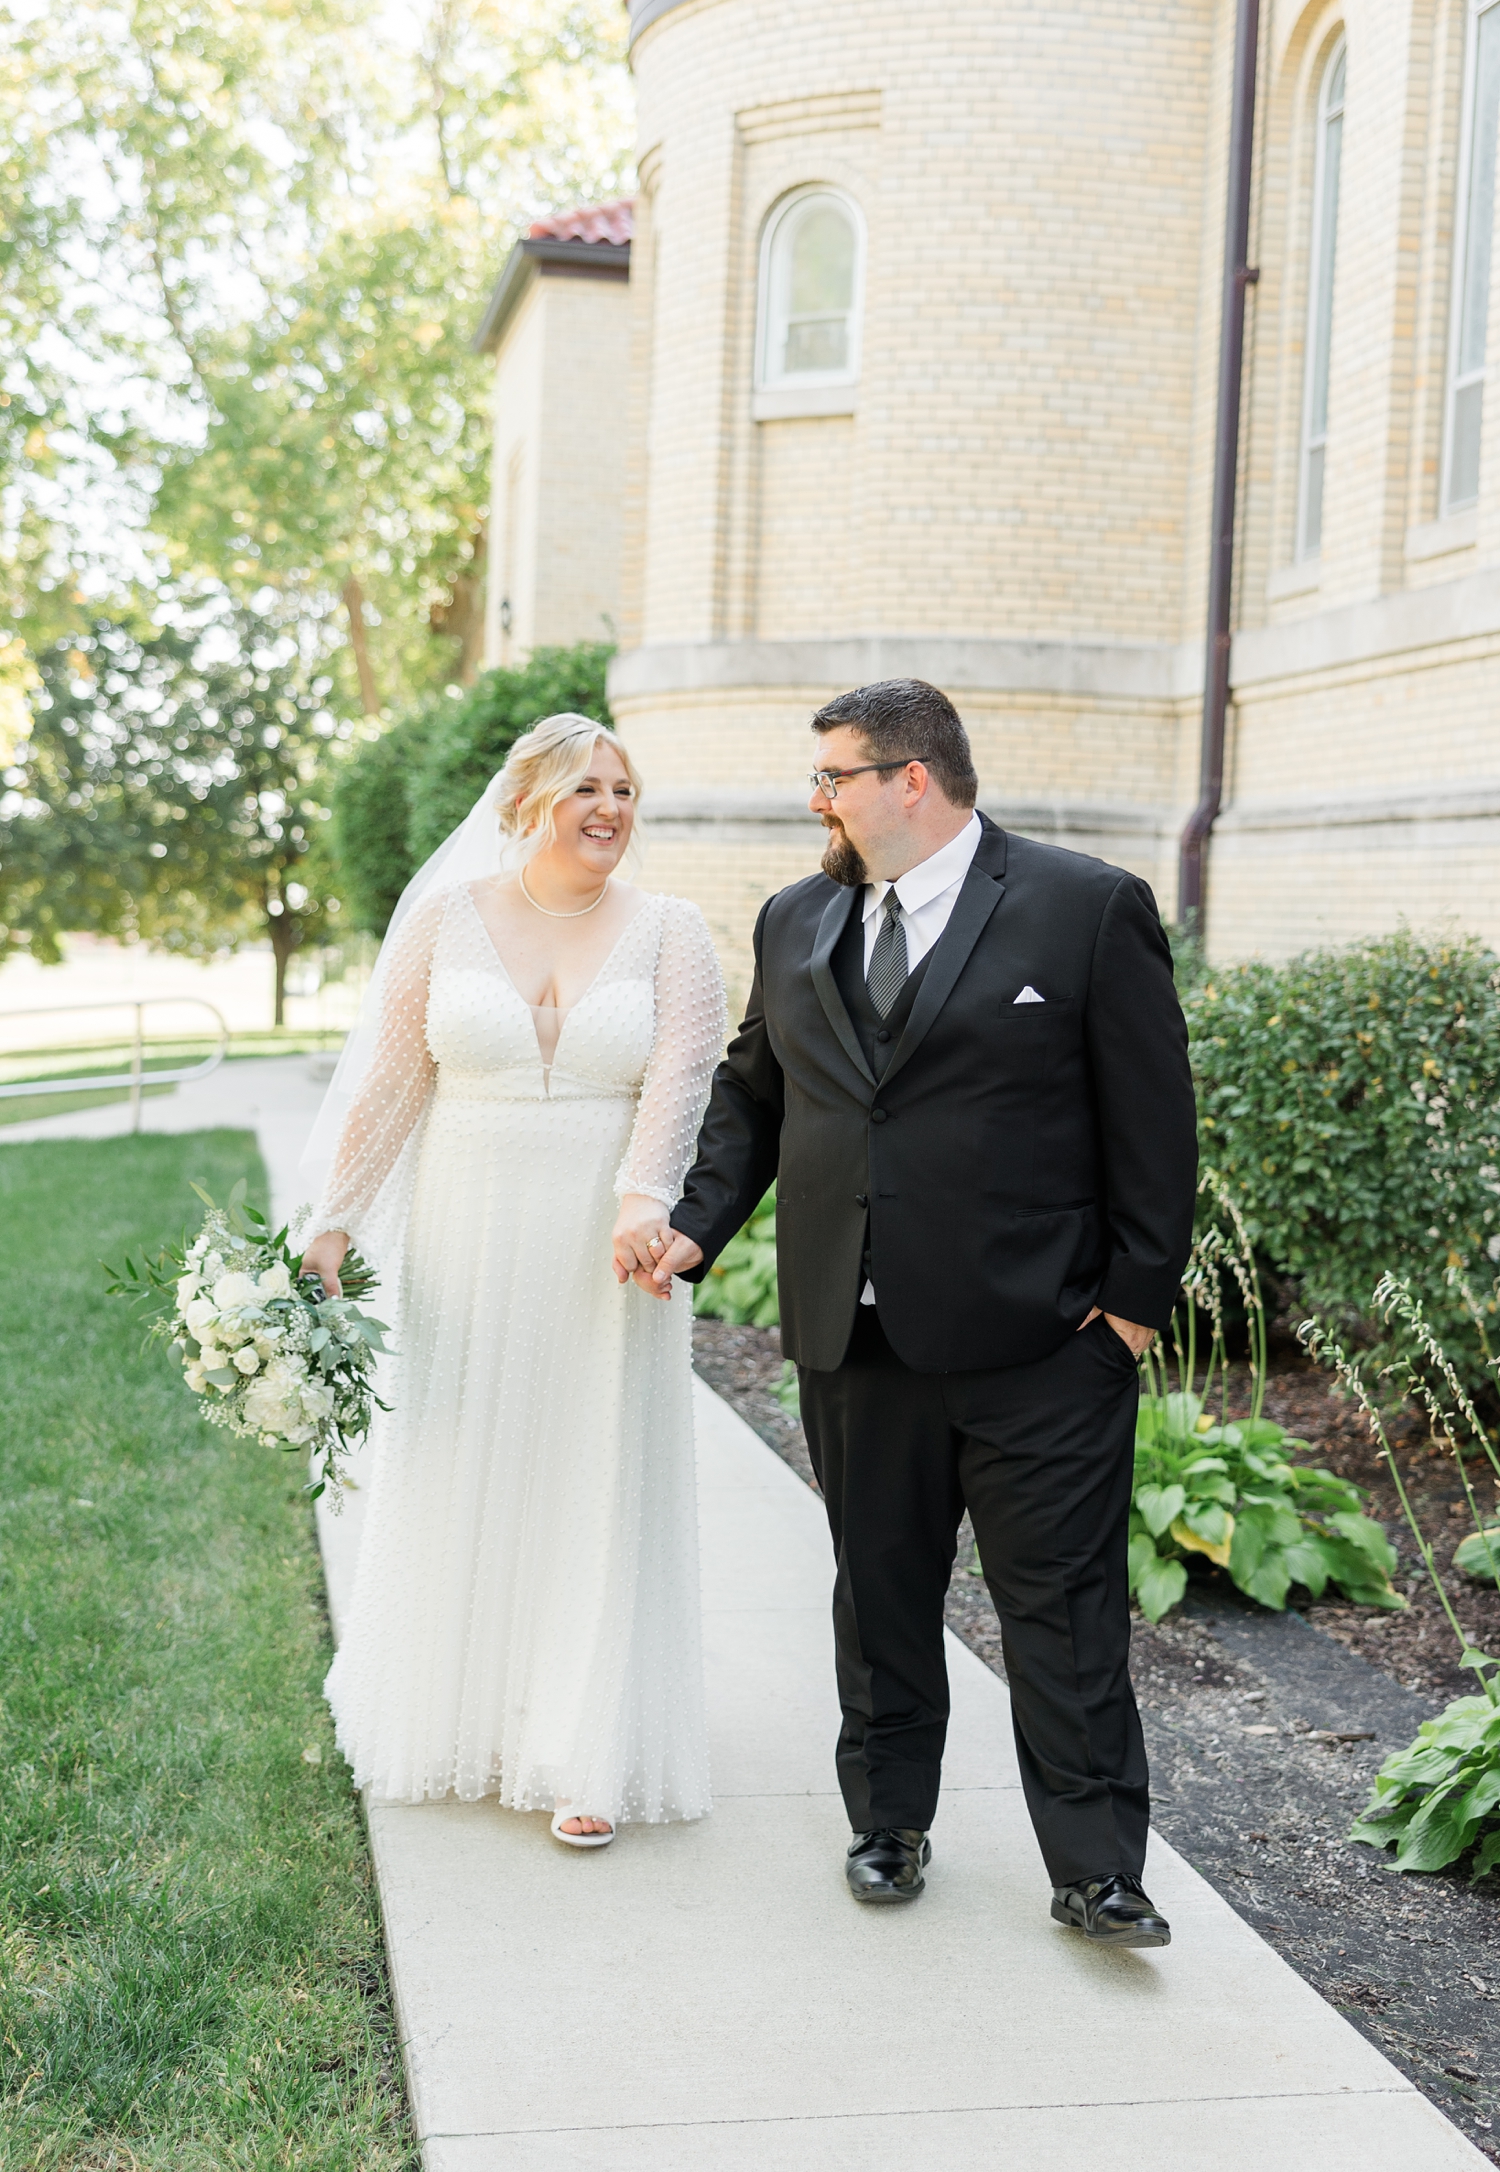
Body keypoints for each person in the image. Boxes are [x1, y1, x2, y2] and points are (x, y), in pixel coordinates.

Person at [640, 680, 1197, 1941]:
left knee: (1061, 1614)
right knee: (878, 1594)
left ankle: (1100, 1870)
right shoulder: (796, 919)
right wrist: (693, 1229)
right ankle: (887, 1825)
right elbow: (753, 1102)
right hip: (856, 1339)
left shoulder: (1083, 909)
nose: (818, 800)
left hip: (1043, 1347)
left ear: (911, 779)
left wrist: (1129, 1316)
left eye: (834, 776)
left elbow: (1157, 1130)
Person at [300, 714, 726, 1848]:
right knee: (465, 1453)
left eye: (628, 791)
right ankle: (460, 1716)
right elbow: (393, 1081)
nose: (613, 809)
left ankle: (580, 1747)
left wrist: (647, 1197)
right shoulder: (446, 920)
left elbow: (682, 1080)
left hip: (600, 1240)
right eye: (590, 787)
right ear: (526, 799)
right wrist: (333, 1223)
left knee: (591, 1465)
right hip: (466, 1222)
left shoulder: (673, 932)